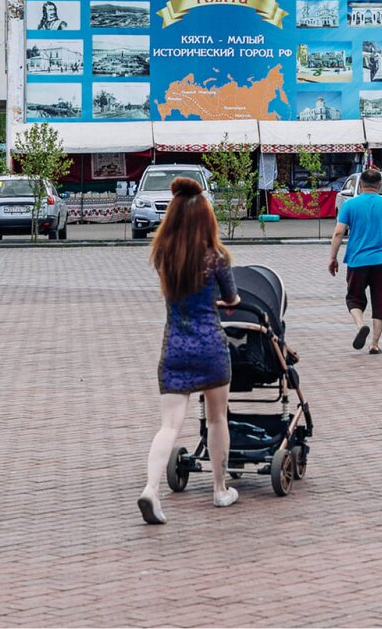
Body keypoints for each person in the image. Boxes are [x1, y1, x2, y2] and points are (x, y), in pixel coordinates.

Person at [138, 176, 241, 524]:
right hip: (211, 345)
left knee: (169, 426)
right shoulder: (216, 258)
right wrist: (230, 300)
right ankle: (219, 488)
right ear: (206, 219)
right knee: (216, 418)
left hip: (175, 347)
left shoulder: (163, 255)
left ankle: (151, 489)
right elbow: (231, 298)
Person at [328, 168, 382, 355]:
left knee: (354, 297)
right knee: (381, 302)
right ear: (380, 185)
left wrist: (333, 257)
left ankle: (360, 325)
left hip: (357, 260)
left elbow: (339, 232)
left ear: (361, 184)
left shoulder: (349, 205)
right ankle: (374, 344)